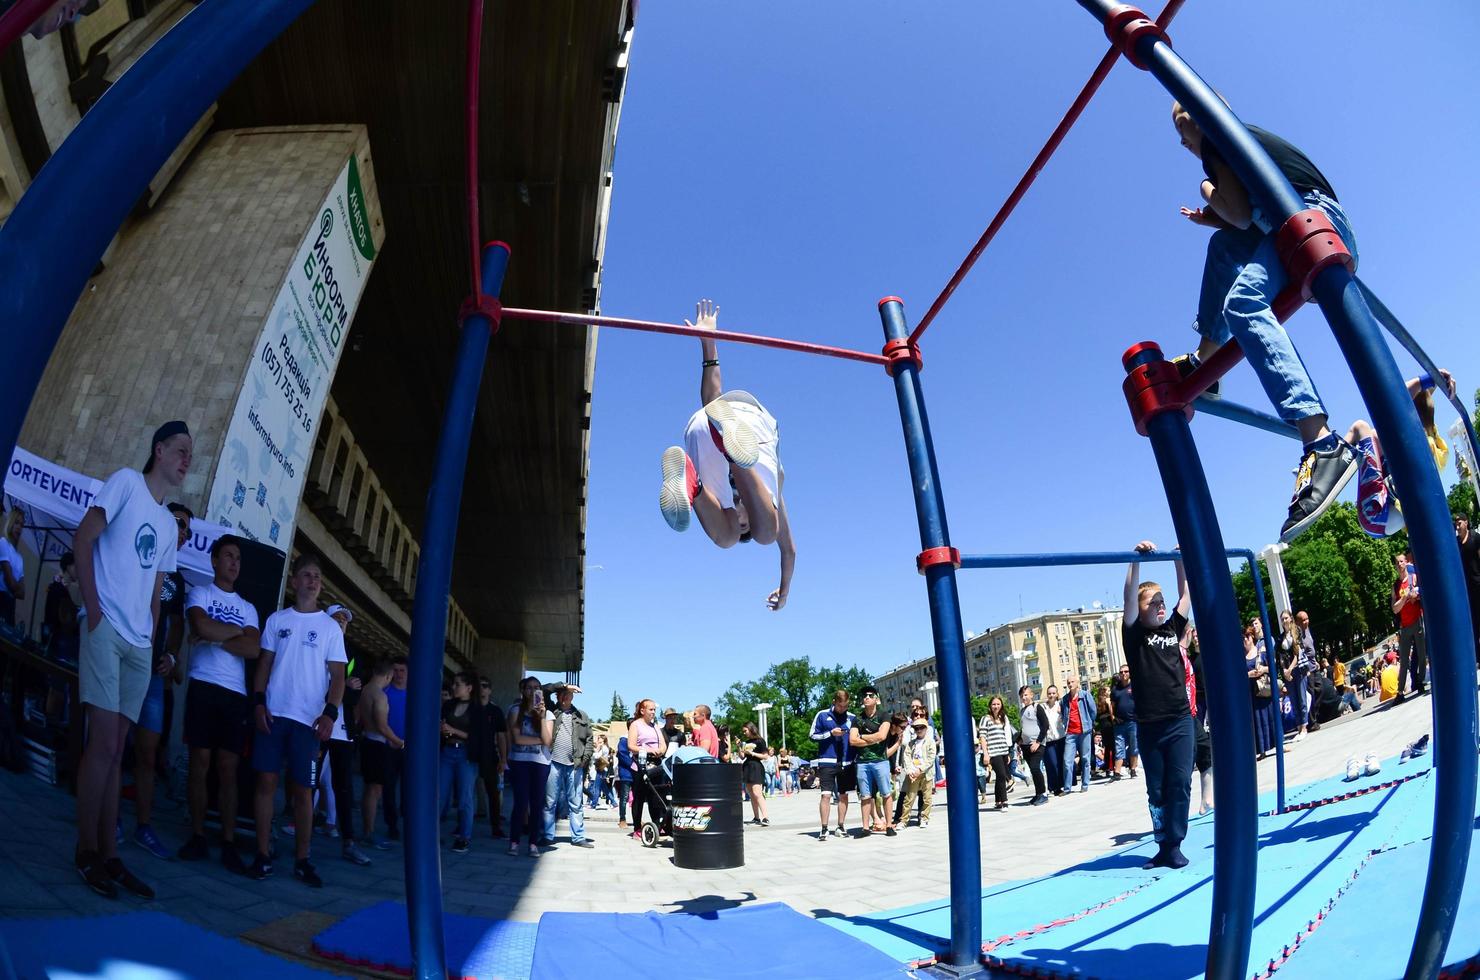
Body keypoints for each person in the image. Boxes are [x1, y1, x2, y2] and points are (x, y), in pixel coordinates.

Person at [1167, 102, 1358, 543]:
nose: (1183, 141)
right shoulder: (1236, 142)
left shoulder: (1219, 139)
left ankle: (1322, 441)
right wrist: (1212, 214)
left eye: (1184, 128)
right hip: (1294, 221)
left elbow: (1235, 210)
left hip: (1310, 221)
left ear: (1203, 114)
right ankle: (1206, 364)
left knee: (1244, 303)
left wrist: (1206, 190)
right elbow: (1239, 216)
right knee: (1221, 248)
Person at [70, 420, 192, 899]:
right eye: (180, 450)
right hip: (105, 630)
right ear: (158, 450)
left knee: (118, 752)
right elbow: (84, 539)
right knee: (101, 747)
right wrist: (93, 610)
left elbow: (159, 592)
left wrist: (153, 639)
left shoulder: (167, 523)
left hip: (140, 644)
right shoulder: (125, 481)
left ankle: (109, 855)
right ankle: (85, 852)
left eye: (190, 455)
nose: (186, 460)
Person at [657, 299, 797, 611]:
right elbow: (788, 551)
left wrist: (708, 344)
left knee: (726, 540)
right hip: (754, 426)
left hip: (703, 426)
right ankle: (734, 454)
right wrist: (785, 592)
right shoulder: (775, 490)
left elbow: (710, 404)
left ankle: (690, 485)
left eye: (740, 521)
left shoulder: (721, 497)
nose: (741, 517)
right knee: (767, 535)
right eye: (747, 521)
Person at [248, 554, 347, 887]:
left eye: (317, 576)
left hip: (309, 721)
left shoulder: (331, 628)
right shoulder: (277, 620)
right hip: (274, 715)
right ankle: (263, 854)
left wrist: (330, 713)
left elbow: (338, 677)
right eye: (306, 575)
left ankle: (303, 859)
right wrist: (259, 702)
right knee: (266, 784)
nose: (312, 581)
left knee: (304, 792)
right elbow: (264, 664)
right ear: (294, 581)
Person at [176, 534, 260, 871]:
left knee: (228, 769)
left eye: (238, 557)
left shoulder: (249, 607)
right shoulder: (199, 593)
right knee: (200, 761)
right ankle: (197, 835)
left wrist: (215, 634)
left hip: (234, 694)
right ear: (214, 561)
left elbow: (254, 649)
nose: (234, 562)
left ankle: (227, 842)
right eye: (228, 556)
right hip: (203, 685)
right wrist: (234, 634)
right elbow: (198, 624)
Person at [1122, 541, 1195, 870]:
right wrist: (1134, 561)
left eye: (1162, 601)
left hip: (1179, 720)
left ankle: (1176, 842)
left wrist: (1178, 560)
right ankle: (1163, 843)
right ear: (1140, 609)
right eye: (1154, 603)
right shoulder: (1134, 635)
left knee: (1179, 782)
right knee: (1156, 790)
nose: (1161, 606)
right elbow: (1128, 597)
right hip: (1150, 725)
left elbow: (1186, 594)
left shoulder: (1172, 627)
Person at [130, 502, 191, 860]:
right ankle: (103, 817)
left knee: (149, 753)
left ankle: (142, 825)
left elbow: (178, 623)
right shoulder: (142, 547)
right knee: (111, 742)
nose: (183, 532)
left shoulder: (178, 580)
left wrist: (171, 655)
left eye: (188, 530)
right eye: (180, 523)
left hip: (153, 674)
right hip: (125, 660)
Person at [1346, 371, 1457, 540]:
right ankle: (1339, 455)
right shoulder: (1432, 440)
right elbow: (1423, 403)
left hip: (1376, 513)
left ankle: (1332, 459)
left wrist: (1428, 379)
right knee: (1375, 436)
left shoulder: (1405, 436)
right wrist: (1436, 381)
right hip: (1389, 515)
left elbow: (1397, 398)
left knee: (1361, 427)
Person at [438, 672, 486, 855]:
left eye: (458, 684)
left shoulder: (477, 709)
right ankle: (434, 833)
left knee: (465, 798)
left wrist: (453, 730)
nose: (454, 687)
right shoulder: (449, 705)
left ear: (469, 687)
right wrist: (445, 731)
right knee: (440, 795)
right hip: (448, 751)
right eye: (454, 684)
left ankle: (464, 837)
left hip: (466, 753)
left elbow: (479, 737)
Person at [542, 683, 595, 848]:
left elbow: (589, 740)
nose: (565, 696)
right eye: (562, 694)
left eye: (569, 694)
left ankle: (578, 837)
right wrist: (564, 685)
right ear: (557, 696)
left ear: (573, 697)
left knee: (576, 802)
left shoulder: (581, 715)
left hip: (575, 765)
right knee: (550, 801)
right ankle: (547, 835)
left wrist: (584, 759)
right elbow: (543, 690)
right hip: (553, 763)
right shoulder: (551, 711)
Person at [356, 659, 402, 848]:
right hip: (377, 744)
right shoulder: (380, 696)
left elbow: (358, 717)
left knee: (370, 788)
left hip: (366, 740)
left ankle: (368, 830)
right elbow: (382, 726)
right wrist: (399, 741)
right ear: (388, 676)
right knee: (375, 790)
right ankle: (369, 832)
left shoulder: (365, 690)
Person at [506, 676, 553, 857]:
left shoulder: (547, 714)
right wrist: (540, 740)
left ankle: (533, 843)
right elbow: (517, 739)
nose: (533, 691)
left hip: (540, 763)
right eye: (529, 688)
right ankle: (514, 841)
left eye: (537, 688)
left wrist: (540, 718)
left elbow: (548, 742)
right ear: (523, 690)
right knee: (520, 802)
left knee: (537, 803)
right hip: (519, 761)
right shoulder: (515, 710)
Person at [809, 689, 856, 840]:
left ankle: (841, 826)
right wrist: (830, 734)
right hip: (827, 761)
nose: (843, 709)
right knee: (826, 795)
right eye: (840, 706)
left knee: (844, 796)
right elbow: (812, 736)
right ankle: (824, 829)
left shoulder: (852, 718)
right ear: (834, 702)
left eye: (846, 706)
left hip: (846, 762)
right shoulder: (822, 715)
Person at [848, 686, 893, 836]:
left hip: (880, 761)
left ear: (876, 699)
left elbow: (882, 736)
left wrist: (863, 737)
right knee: (865, 796)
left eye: (870, 695)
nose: (866, 697)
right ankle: (866, 828)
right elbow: (852, 740)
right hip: (862, 762)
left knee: (886, 793)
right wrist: (872, 738)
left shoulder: (884, 715)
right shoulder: (857, 719)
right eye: (864, 695)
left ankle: (889, 826)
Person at [626, 699, 666, 839]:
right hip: (640, 765)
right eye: (650, 709)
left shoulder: (655, 726)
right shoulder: (636, 725)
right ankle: (637, 827)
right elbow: (631, 746)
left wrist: (660, 750)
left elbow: (663, 744)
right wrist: (648, 750)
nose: (653, 712)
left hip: (656, 764)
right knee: (639, 797)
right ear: (642, 711)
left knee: (655, 796)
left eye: (654, 709)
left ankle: (657, 825)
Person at [1185, 627, 1214, 815]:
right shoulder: (1181, 657)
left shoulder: (1196, 656)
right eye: (1190, 633)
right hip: (1184, 711)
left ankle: (1207, 799)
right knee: (1187, 757)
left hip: (1193, 707)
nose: (1192, 636)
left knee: (1204, 747)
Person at [380, 656, 409, 840]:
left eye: (402, 670)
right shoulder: (384, 692)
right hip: (388, 746)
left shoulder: (416, 695)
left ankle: (408, 822)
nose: (398, 674)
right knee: (388, 788)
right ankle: (392, 825)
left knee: (408, 789)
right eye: (395, 670)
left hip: (409, 749)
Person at [1391, 553, 1427, 700]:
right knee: (1404, 660)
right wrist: (1405, 597)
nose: (1399, 564)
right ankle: (1400, 692)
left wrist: (1415, 597)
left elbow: (1420, 594)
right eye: (1397, 563)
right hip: (1404, 626)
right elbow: (1395, 608)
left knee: (1422, 655)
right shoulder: (1395, 586)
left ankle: (1420, 682)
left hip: (1417, 620)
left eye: (1401, 561)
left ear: (1406, 562)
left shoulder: (1413, 578)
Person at [978, 696, 1015, 811]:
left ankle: (998, 801)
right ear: (990, 706)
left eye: (998, 704)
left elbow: (1006, 736)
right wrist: (985, 754)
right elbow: (983, 737)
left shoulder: (1003, 718)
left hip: (1003, 751)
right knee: (1001, 775)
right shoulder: (985, 719)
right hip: (993, 752)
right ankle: (1004, 801)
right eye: (994, 704)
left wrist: (1008, 753)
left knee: (1000, 776)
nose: (996, 706)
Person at [898, 717, 936, 827]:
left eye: (921, 728)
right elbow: (906, 757)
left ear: (926, 728)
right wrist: (910, 771)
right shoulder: (911, 743)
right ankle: (904, 820)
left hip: (925, 774)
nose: (919, 730)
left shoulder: (930, 742)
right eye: (916, 728)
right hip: (913, 774)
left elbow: (931, 758)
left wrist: (920, 769)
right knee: (909, 798)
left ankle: (924, 818)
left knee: (927, 798)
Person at [1060, 676, 1095, 794]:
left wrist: (1090, 724)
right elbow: (1064, 714)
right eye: (1068, 682)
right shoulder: (1064, 699)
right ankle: (1067, 787)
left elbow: (1093, 711)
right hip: (1070, 733)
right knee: (1067, 760)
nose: (1070, 684)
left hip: (1084, 731)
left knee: (1085, 758)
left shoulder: (1085, 695)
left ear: (1077, 683)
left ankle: (1085, 784)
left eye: (1072, 682)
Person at [1245, 624, 1276, 760]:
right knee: (1257, 720)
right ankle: (1262, 750)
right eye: (1243, 638)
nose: (1245, 640)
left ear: (1252, 637)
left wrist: (1263, 669)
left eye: (1247, 637)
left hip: (1263, 689)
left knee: (1270, 717)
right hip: (1251, 692)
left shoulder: (1260, 651)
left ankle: (1277, 744)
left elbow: (1273, 667)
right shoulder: (1240, 657)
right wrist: (1248, 674)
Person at [1015, 686, 1049, 806]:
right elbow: (1024, 728)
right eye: (1022, 696)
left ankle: (1043, 794)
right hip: (1025, 745)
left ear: (1031, 695)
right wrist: (1019, 739)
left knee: (1035, 768)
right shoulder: (1022, 711)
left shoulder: (1037, 707)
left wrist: (1038, 741)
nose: (1024, 698)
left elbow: (1045, 725)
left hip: (1037, 744)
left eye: (1026, 695)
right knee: (1033, 770)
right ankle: (1038, 793)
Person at [1456, 514, 1480, 667]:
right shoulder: (1456, 543)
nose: (1457, 526)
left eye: (1459, 523)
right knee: (1474, 622)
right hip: (1466, 589)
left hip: (1478, 583)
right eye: (1456, 524)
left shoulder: (1476, 538)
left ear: (1466, 523)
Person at [738, 721, 771, 827]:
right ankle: (756, 817)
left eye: (745, 731)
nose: (744, 733)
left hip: (756, 767)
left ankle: (766, 817)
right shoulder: (746, 742)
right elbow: (742, 756)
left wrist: (752, 753)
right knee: (751, 794)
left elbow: (765, 756)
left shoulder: (760, 741)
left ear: (751, 729)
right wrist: (739, 746)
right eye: (743, 731)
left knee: (757, 793)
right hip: (747, 767)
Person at [1110, 666, 1139, 780]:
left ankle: (1133, 769)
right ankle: (1117, 772)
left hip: (1133, 721)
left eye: (1126, 671)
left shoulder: (1135, 686)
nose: (1123, 674)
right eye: (1121, 672)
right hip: (1119, 723)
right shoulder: (1115, 689)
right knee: (1119, 747)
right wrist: (1113, 718)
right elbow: (1112, 706)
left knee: (1134, 746)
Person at [0, 506, 27, 626]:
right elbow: (9, 580)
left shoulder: (20, 558)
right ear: (10, 523)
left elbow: (22, 594)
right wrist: (15, 587)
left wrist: (14, 587)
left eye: (22, 525)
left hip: (11, 605)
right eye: (16, 523)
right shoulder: (3, 543)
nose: (19, 528)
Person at [1041, 685, 1065, 797]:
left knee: (1061, 763)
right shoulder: (1042, 707)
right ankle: (1054, 787)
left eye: (1053, 693)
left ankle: (1060, 786)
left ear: (1057, 694)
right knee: (1052, 764)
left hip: (1061, 738)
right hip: (1049, 740)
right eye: (1049, 693)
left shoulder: (1061, 705)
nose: (1051, 695)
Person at [1093, 687, 1116, 779]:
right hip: (1109, 724)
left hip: (1103, 725)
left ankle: (1107, 768)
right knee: (1113, 747)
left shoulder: (1098, 703)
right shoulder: (1107, 700)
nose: (1109, 691)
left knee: (1107, 747)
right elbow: (1111, 712)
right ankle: (1113, 767)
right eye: (1108, 690)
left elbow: (1097, 717)